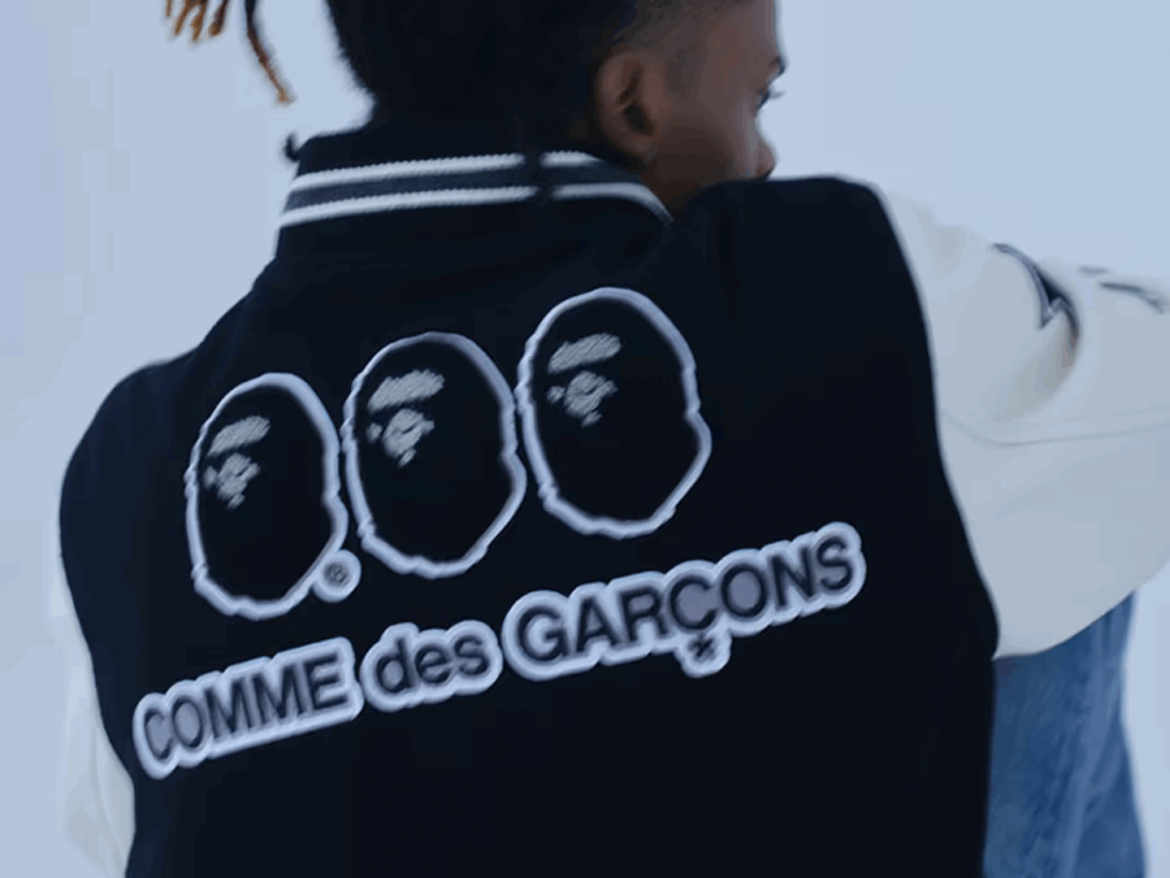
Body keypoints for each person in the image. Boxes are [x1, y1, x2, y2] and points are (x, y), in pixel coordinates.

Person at [53, 0, 1170, 875]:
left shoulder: (132, 469)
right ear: (633, 104)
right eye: (759, 97)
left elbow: (122, 833)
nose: (764, 157)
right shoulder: (827, 295)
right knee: (1025, 495)